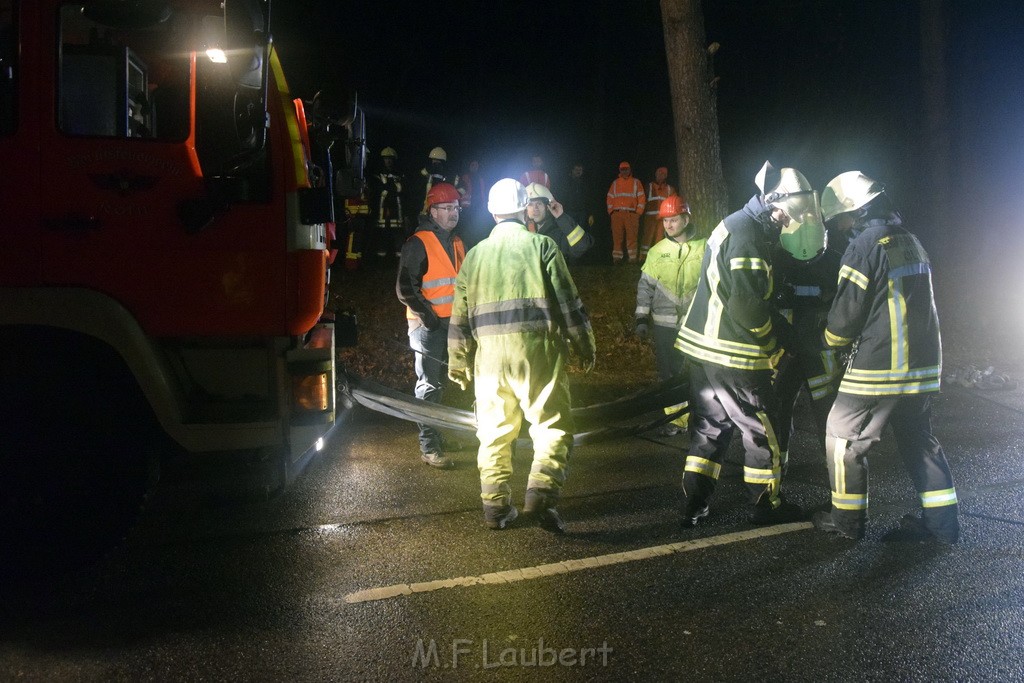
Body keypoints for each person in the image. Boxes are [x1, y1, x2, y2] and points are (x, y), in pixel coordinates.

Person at [811, 171, 959, 543]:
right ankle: (942, 527)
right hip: (922, 365)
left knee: (842, 435)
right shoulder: (910, 240)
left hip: (881, 366)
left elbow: (845, 319)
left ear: (856, 212)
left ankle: (846, 522)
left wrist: (827, 338)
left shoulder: (864, 245)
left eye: (840, 218)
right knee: (918, 439)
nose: (840, 226)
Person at [448, 178, 597, 533]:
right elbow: (568, 304)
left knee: (495, 433)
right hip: (537, 353)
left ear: (492, 211)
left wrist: (457, 361)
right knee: (552, 427)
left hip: (489, 362)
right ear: (522, 207)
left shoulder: (474, 256)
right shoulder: (542, 246)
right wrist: (584, 345)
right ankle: (540, 500)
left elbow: (458, 317)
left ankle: (496, 510)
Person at [675, 161, 809, 528]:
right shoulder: (748, 235)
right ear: (771, 202)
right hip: (734, 352)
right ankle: (767, 505)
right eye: (784, 216)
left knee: (709, 429)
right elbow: (747, 307)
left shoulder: (735, 223)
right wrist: (772, 345)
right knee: (761, 429)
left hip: (705, 350)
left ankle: (694, 506)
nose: (784, 223)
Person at [395, 182, 466, 470]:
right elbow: (405, 289)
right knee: (429, 384)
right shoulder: (418, 242)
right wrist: (429, 318)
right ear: (432, 211)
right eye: (447, 208)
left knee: (441, 383)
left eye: (456, 208)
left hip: (451, 323)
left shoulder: (457, 241)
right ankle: (429, 446)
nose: (454, 213)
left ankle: (437, 436)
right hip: (428, 327)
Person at [768, 217, 844, 474]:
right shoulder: (779, 259)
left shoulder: (835, 260)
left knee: (826, 410)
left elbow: (844, 303)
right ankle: (778, 462)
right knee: (779, 406)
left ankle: (833, 466)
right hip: (789, 348)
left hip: (817, 348)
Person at [634, 195, 706, 436]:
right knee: (669, 374)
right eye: (665, 221)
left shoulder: (705, 247)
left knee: (701, 372)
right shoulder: (657, 251)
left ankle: (705, 418)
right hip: (664, 325)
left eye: (673, 219)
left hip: (697, 323)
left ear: (686, 218)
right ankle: (677, 421)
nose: (669, 225)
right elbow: (645, 287)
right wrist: (641, 319)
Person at [525, 182, 594, 262]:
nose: (535, 208)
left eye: (539, 204)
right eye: (530, 204)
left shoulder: (560, 232)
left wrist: (561, 217)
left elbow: (582, 246)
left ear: (548, 207)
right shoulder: (522, 232)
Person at [367, 146, 405, 263]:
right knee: (381, 236)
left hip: (396, 211)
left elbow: (403, 191)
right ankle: (380, 261)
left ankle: (398, 261)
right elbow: (376, 190)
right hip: (381, 211)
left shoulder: (400, 175)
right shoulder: (377, 175)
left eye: (390, 159)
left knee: (397, 236)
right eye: (386, 159)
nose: (388, 161)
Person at [606, 161, 646, 264]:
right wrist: (611, 212)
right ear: (620, 170)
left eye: (626, 169)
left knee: (632, 236)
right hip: (617, 214)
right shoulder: (615, 183)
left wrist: (638, 212)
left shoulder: (636, 182)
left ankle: (632, 258)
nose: (624, 171)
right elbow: (609, 197)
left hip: (631, 214)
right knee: (617, 237)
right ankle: (617, 258)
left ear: (629, 170)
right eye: (622, 169)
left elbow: (641, 197)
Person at [639, 167, 677, 263]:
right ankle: (643, 258)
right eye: (659, 173)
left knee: (659, 238)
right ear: (656, 174)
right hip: (650, 217)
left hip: (663, 218)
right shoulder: (649, 186)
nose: (661, 175)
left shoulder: (670, 189)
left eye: (663, 174)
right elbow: (642, 199)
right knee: (647, 237)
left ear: (666, 176)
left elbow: (674, 202)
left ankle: (657, 258)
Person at [417, 146, 458, 218]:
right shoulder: (426, 172)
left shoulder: (447, 175)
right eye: (434, 160)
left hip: (439, 204)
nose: (435, 163)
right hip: (427, 205)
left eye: (438, 161)